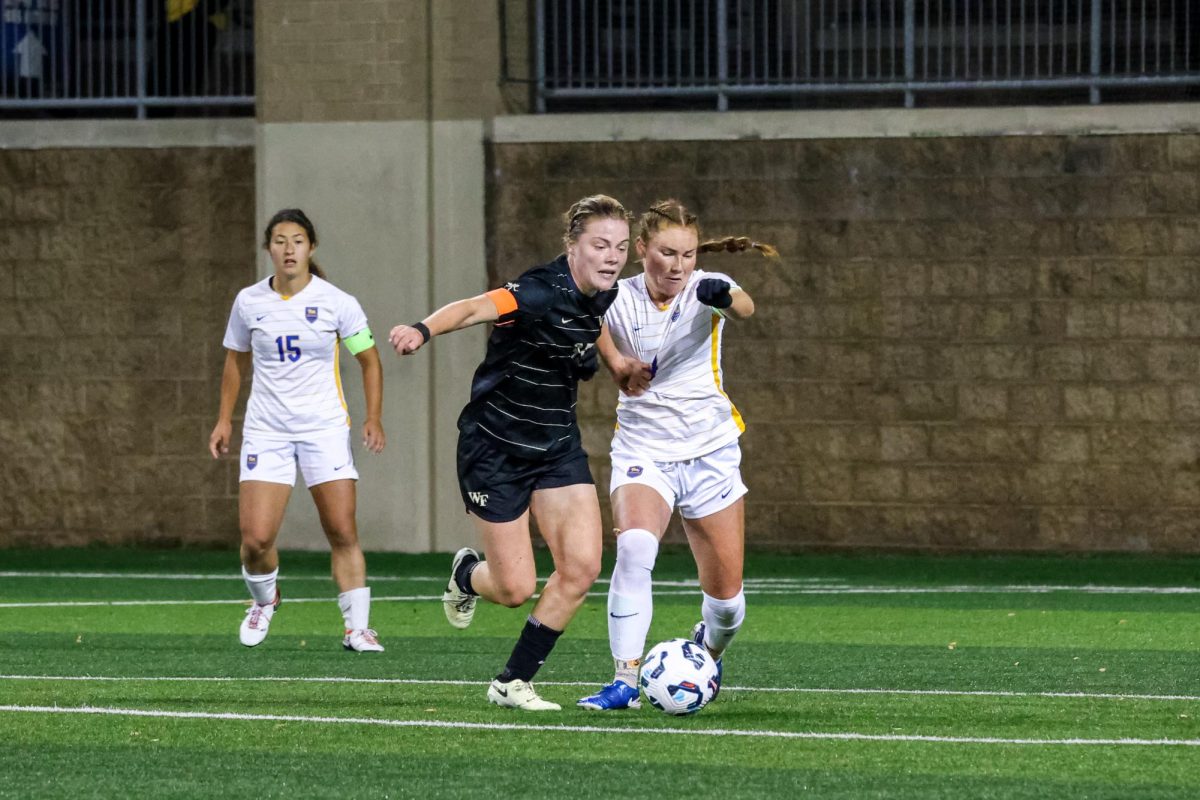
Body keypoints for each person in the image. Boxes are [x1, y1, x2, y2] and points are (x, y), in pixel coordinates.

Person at [389, 194, 632, 711]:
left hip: (556, 446)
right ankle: (466, 576)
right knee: (514, 587)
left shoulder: (604, 294)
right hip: (494, 448)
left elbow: (596, 324)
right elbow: (477, 306)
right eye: (599, 245)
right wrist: (422, 329)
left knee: (583, 566)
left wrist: (618, 364)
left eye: (621, 246)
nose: (612, 256)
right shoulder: (538, 291)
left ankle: (511, 681)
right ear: (572, 246)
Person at [577, 199, 777, 711]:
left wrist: (725, 296)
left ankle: (704, 655)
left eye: (687, 255)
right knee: (635, 550)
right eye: (667, 253)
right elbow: (589, 314)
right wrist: (617, 361)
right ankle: (623, 679)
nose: (678, 266)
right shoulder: (615, 297)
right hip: (644, 449)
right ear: (641, 250)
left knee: (728, 606)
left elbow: (746, 307)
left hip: (710, 452)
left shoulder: (705, 285)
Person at [208, 208, 387, 653]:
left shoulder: (337, 302)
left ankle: (357, 629)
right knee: (256, 539)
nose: (289, 249)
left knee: (342, 530)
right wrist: (223, 419)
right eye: (280, 241)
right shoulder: (249, 301)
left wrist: (373, 417)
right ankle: (265, 600)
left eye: (298, 241)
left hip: (323, 428)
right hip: (266, 430)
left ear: (311, 247)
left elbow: (369, 360)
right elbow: (235, 360)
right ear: (268, 248)